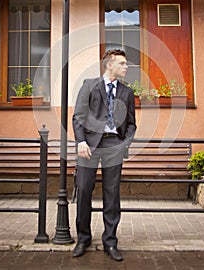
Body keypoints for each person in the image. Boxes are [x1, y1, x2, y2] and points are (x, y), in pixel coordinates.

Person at [72, 49, 136, 261]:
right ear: (110, 64)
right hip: (88, 146)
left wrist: (123, 144)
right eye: (122, 63)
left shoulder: (127, 93)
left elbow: (131, 124)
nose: (126, 67)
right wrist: (81, 141)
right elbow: (78, 117)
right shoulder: (89, 85)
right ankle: (83, 239)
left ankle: (110, 241)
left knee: (112, 194)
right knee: (83, 191)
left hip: (113, 145)